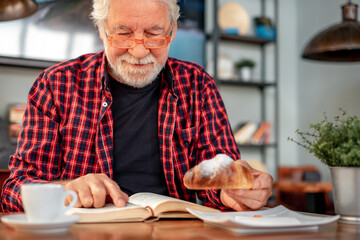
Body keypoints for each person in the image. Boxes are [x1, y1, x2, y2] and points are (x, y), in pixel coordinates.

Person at [1, 0, 273, 212]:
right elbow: (15, 190)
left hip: (178, 232)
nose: (139, 51)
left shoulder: (198, 85)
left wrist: (237, 192)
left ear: (172, 31)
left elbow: (222, 177)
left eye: (155, 34)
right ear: (102, 30)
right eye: (123, 34)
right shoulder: (55, 85)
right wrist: (66, 190)